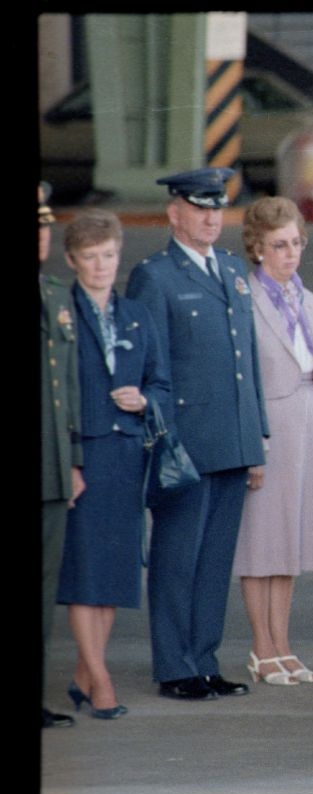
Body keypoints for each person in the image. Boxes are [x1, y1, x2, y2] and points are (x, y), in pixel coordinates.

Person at [126, 167, 268, 701]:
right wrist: (163, 439)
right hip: (183, 443)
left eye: (217, 208)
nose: (212, 218)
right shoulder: (155, 276)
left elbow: (246, 362)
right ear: (175, 213)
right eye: (201, 208)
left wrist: (257, 437)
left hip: (231, 439)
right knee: (176, 558)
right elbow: (150, 368)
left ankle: (204, 660)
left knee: (214, 563)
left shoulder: (231, 269)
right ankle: (174, 666)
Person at [55, 210, 170, 720]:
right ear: (71, 260)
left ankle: (86, 671)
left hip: (127, 455)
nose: (101, 266)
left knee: (113, 572)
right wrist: (69, 463)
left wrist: (144, 400)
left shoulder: (136, 315)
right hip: (83, 454)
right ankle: (100, 680)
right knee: (84, 570)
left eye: (109, 255)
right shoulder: (61, 316)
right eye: (90, 257)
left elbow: (161, 381)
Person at [232, 197, 313, 686]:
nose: (290, 253)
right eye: (279, 245)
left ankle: (283, 643)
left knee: (292, 543)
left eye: (296, 243)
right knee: (262, 544)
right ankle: (262, 647)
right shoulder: (244, 299)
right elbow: (242, 380)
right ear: (258, 248)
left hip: (309, 420)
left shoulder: (308, 299)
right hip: (271, 426)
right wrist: (249, 444)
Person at [41, 182, 83, 728]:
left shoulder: (54, 294)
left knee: (46, 583)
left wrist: (71, 459)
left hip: (52, 468)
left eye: (45, 226)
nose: (42, 236)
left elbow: (65, 389)